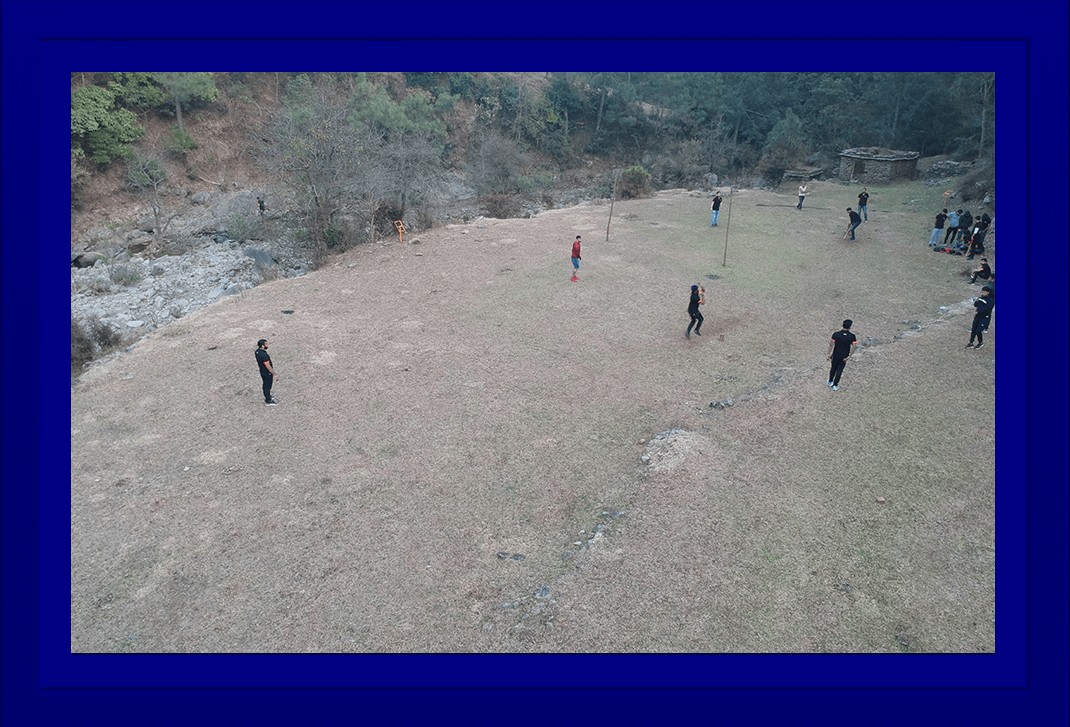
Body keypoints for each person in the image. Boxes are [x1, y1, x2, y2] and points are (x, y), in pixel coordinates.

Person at [826, 319, 857, 390]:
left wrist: (828, 354)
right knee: (839, 371)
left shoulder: (836, 334)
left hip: (835, 355)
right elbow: (854, 347)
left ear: (842, 325)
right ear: (849, 327)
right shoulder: (852, 336)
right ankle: (835, 385)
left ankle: (830, 381)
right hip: (844, 357)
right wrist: (849, 356)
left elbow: (831, 344)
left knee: (833, 368)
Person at [255, 339, 279, 405]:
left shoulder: (257, 352)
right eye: (266, 344)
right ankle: (268, 400)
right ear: (262, 346)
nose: (267, 345)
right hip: (267, 373)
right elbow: (268, 366)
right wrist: (274, 374)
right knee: (267, 386)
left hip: (262, 371)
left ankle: (268, 396)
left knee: (266, 385)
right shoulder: (264, 355)